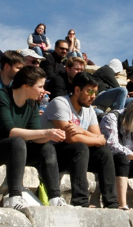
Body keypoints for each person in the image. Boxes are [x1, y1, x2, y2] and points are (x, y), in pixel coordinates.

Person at [0, 66, 68, 210]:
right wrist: (46, 133)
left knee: (47, 148)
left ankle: (55, 198)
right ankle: (14, 197)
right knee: (18, 142)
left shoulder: (31, 103)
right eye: (40, 86)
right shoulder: (1, 96)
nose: (43, 90)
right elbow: (10, 132)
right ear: (26, 86)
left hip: (11, 149)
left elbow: (36, 135)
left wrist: (51, 135)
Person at [41, 72, 119, 208]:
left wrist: (82, 131)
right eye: (89, 91)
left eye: (95, 92)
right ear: (77, 90)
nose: (93, 96)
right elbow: (70, 138)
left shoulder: (89, 110)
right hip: (52, 154)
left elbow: (101, 139)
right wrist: (94, 138)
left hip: (79, 155)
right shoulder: (60, 103)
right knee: (80, 147)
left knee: (104, 153)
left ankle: (111, 203)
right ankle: (81, 201)